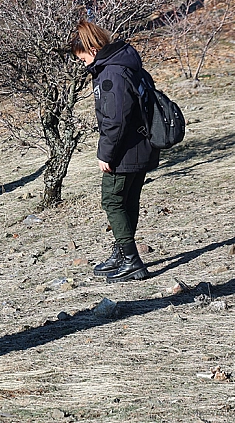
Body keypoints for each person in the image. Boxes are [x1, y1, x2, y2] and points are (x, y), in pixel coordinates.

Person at [69, 20, 159, 283]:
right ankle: (122, 254)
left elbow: (115, 119)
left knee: (112, 200)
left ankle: (132, 261)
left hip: (125, 150)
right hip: (142, 145)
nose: (83, 63)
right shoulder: (127, 64)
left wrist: (105, 154)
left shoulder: (111, 74)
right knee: (128, 200)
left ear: (93, 49)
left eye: (83, 57)